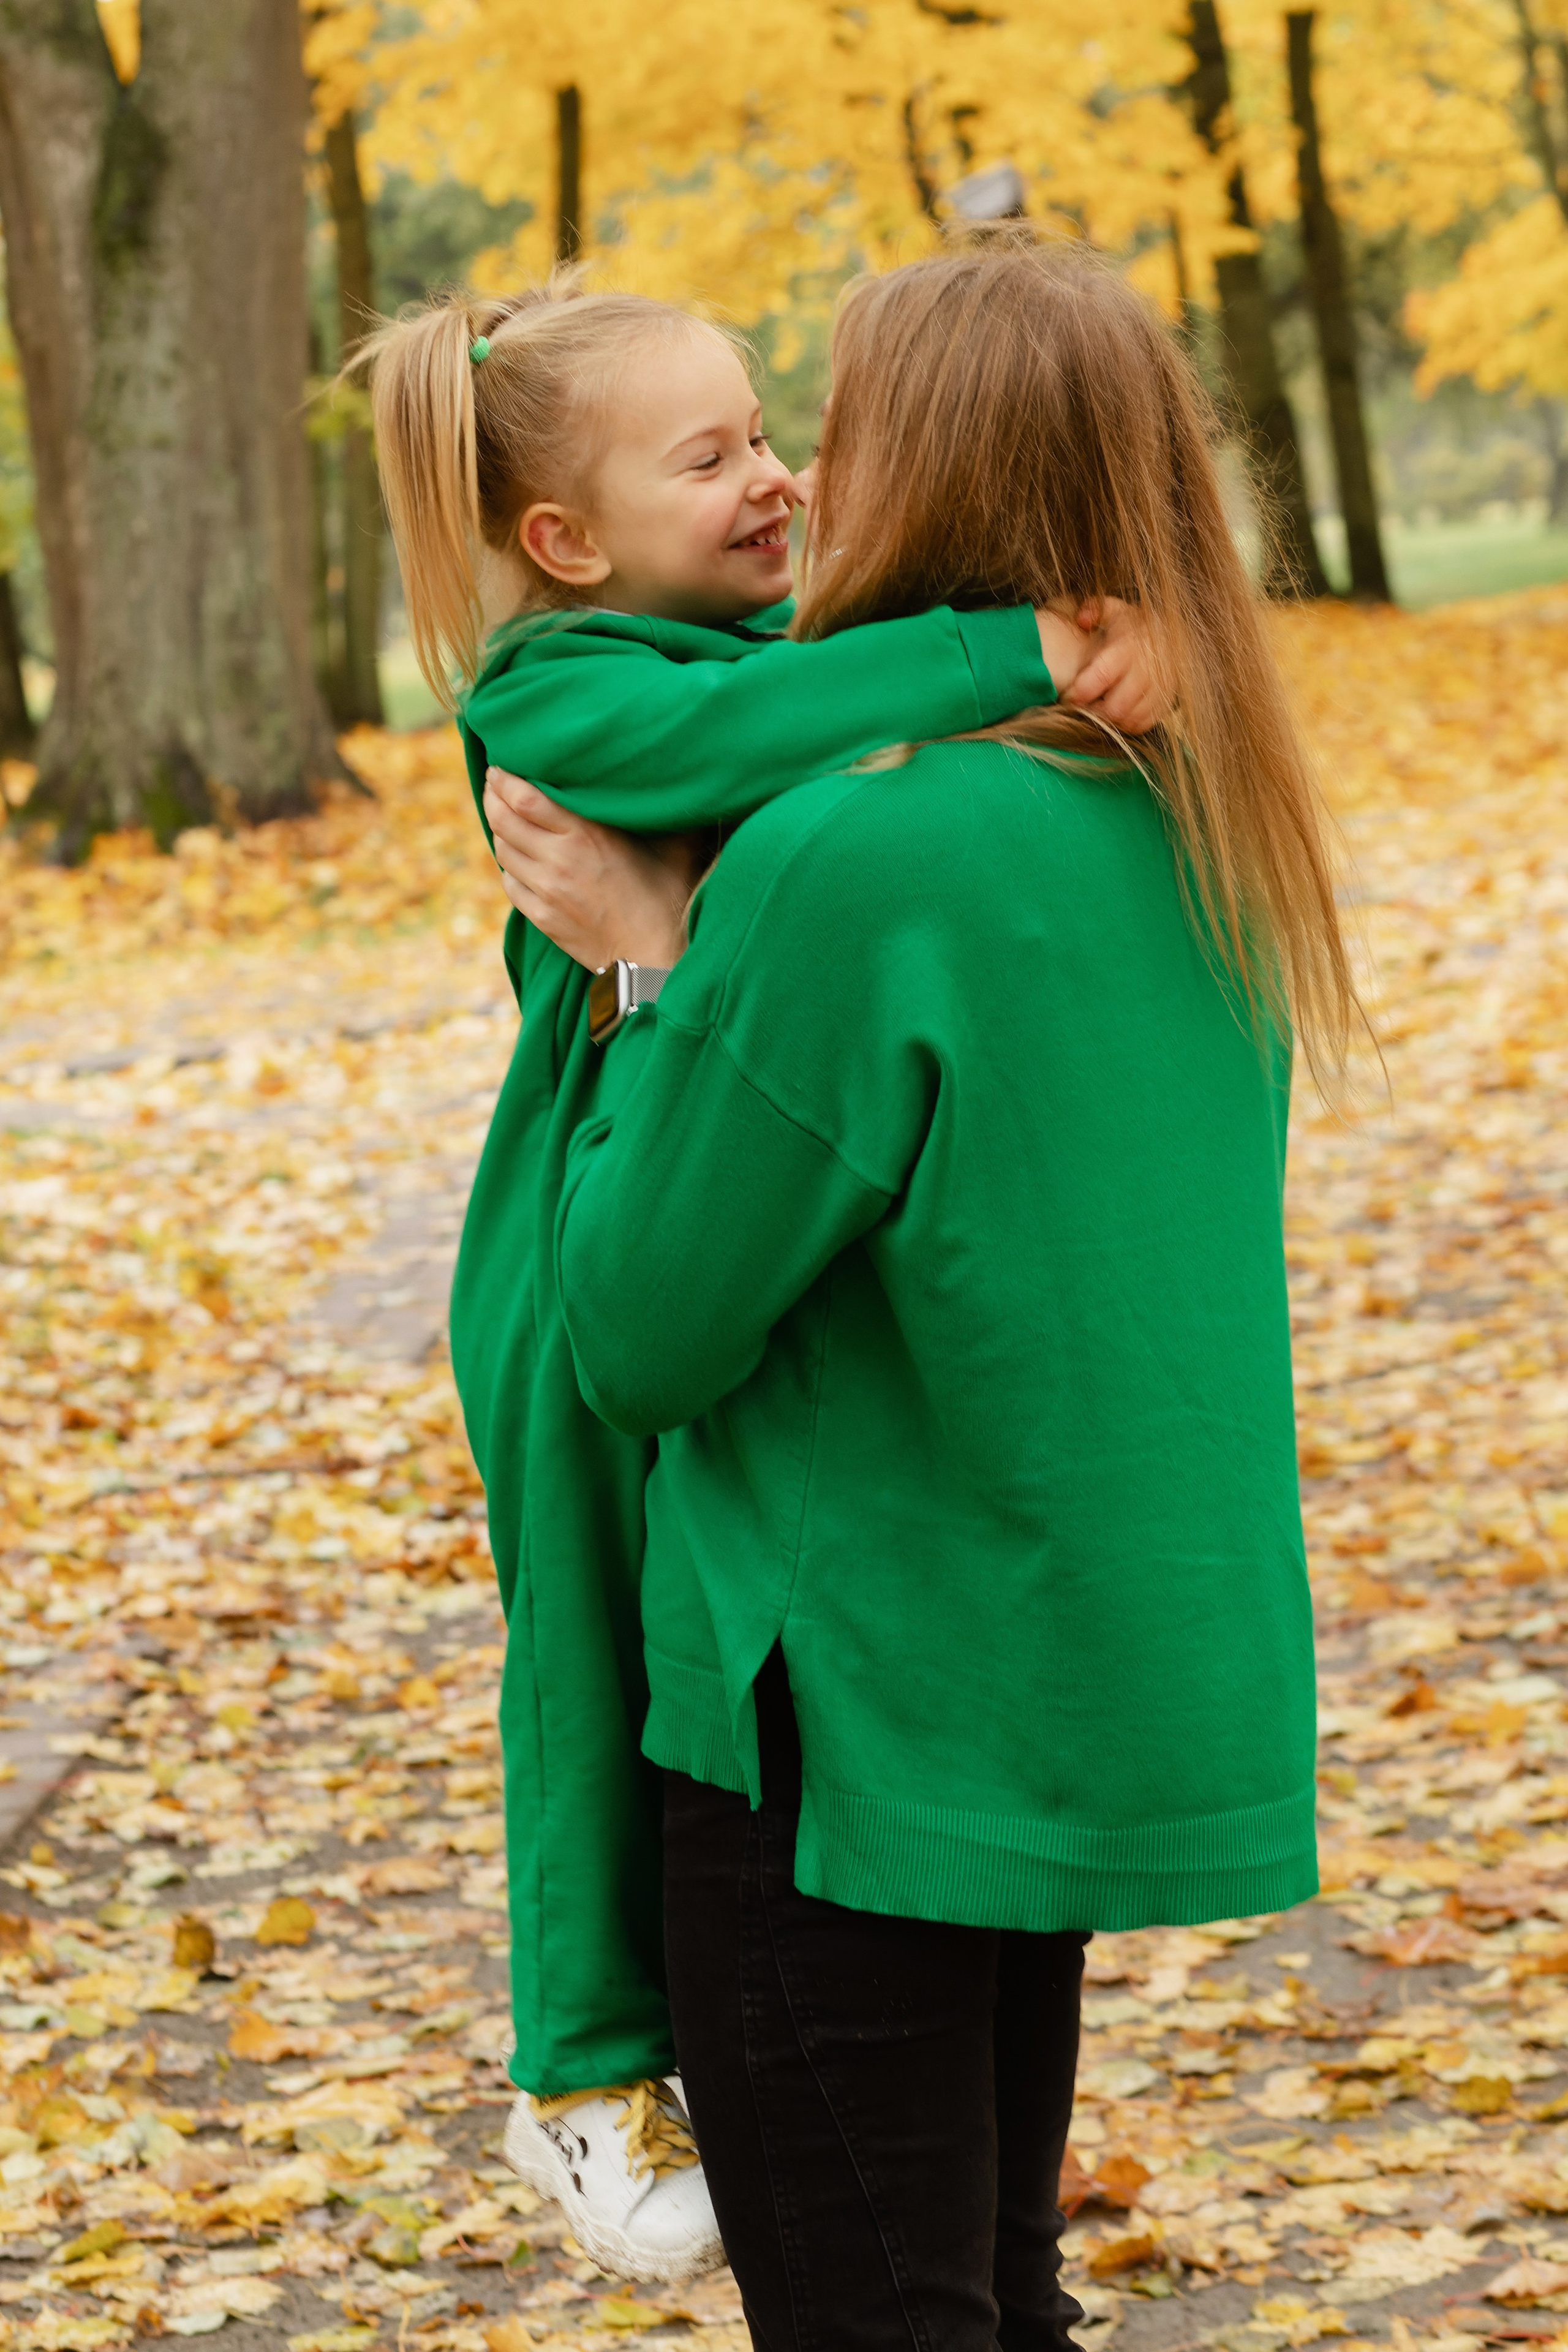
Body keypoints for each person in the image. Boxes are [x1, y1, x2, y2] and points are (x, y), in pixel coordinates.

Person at [524, 238, 1354, 2348]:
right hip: (1050, 1692)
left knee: (889, 2315)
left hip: (849, 1729)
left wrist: (646, 966)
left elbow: (635, 1328)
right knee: (980, 2289)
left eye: (833, 420)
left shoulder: (851, 863)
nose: (799, 477)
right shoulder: (1203, 812)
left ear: (923, 470)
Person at [361, 276, 1166, 2281]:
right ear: (564, 540)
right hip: (579, 1249)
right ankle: (585, 2069)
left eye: (766, 429)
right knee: (585, 1661)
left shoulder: (764, 651)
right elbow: (747, 738)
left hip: (688, 1191)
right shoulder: (553, 688)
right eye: (707, 454)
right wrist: (1018, 646)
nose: (776, 475)